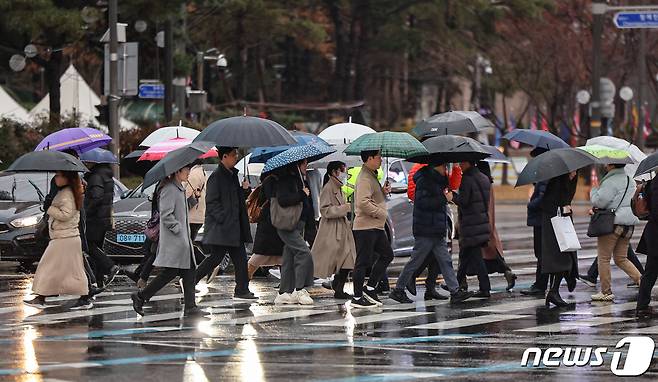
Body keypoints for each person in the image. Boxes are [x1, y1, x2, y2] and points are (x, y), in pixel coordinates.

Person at [389, 160, 473, 304]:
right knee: (415, 261)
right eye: (444, 166)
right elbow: (422, 203)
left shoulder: (439, 180)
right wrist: (443, 199)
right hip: (426, 229)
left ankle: (455, 291)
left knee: (445, 261)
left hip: (436, 228)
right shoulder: (424, 180)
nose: (446, 168)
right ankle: (398, 289)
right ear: (437, 166)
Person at [130, 166, 205, 317]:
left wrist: (192, 199)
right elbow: (166, 214)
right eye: (186, 170)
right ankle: (140, 296)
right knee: (169, 273)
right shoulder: (169, 189)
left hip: (182, 240)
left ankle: (190, 306)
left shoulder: (178, 188)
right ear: (177, 171)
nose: (188, 173)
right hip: (175, 240)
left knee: (189, 271)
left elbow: (180, 210)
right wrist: (178, 229)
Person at [195, 147, 257, 300]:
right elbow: (212, 203)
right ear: (224, 156)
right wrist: (224, 218)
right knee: (216, 258)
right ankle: (191, 280)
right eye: (233, 155)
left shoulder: (232, 175)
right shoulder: (216, 177)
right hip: (223, 228)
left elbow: (235, 200)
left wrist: (244, 191)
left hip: (234, 227)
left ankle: (242, 289)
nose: (236, 157)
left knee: (240, 259)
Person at [25, 171, 91, 310]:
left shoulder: (67, 193)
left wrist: (49, 208)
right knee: (71, 270)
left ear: (67, 178)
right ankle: (85, 297)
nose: (56, 178)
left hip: (65, 237)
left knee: (47, 266)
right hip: (65, 236)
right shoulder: (67, 191)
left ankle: (41, 298)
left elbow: (66, 214)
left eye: (60, 175)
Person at [589, 163, 641, 302]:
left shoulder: (610, 181)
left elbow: (599, 202)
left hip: (613, 223)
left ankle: (606, 292)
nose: (605, 165)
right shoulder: (630, 179)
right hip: (629, 223)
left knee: (604, 258)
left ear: (611, 165)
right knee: (621, 258)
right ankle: (642, 281)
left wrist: (594, 189)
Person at [350, 150, 394, 309]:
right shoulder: (364, 178)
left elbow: (371, 198)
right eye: (378, 157)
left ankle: (369, 288)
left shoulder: (371, 175)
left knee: (387, 255)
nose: (381, 160)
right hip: (365, 227)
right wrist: (380, 212)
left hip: (375, 226)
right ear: (369, 158)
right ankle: (357, 296)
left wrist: (382, 191)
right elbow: (362, 202)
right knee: (363, 262)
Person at [311, 161, 356, 299]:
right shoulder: (328, 188)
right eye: (342, 171)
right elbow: (324, 210)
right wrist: (345, 208)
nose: (344, 174)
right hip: (332, 230)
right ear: (334, 172)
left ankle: (338, 286)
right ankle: (337, 287)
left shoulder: (339, 187)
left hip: (342, 229)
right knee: (340, 260)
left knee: (349, 259)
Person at [273, 159, 315, 305]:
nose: (306, 166)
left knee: (289, 258)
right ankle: (300, 288)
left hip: (297, 224)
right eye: (304, 164)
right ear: (296, 165)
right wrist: (301, 194)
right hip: (286, 225)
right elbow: (283, 200)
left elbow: (308, 205)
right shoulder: (286, 180)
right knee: (304, 253)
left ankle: (284, 292)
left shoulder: (302, 180)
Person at [453, 161, 492, 298]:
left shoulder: (467, 179)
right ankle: (456, 285)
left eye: (461, 163)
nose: (460, 165)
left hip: (471, 224)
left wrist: (452, 197)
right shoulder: (484, 178)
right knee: (465, 256)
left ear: (467, 163)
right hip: (480, 221)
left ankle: (485, 288)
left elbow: (464, 202)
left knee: (475, 257)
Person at [477, 161, 517, 291]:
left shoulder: (482, 184)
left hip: (482, 224)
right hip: (487, 223)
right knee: (489, 255)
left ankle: (461, 283)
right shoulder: (488, 183)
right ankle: (460, 282)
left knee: (481, 254)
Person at [541, 171, 579, 307]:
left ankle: (554, 290)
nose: (574, 173)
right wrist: (563, 206)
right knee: (558, 258)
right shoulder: (556, 179)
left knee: (565, 256)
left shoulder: (570, 180)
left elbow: (566, 199)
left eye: (576, 171)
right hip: (554, 221)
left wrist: (566, 206)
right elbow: (548, 200)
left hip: (563, 220)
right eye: (572, 171)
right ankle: (554, 291)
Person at [83, 161, 121, 287]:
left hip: (95, 219)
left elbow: (97, 197)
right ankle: (99, 281)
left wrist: (86, 211)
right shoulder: (106, 176)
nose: (85, 163)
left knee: (89, 246)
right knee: (97, 248)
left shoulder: (96, 177)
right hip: (104, 219)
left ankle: (110, 266)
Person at [249, 172, 284, 279]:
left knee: (284, 257)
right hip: (268, 225)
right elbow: (272, 199)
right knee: (259, 256)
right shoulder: (270, 181)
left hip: (272, 224)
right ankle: (242, 283)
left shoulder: (272, 180)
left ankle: (287, 288)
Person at [521, 170, 549, 297]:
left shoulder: (545, 177)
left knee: (541, 254)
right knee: (542, 254)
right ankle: (541, 284)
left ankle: (540, 285)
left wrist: (530, 204)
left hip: (541, 220)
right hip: (543, 220)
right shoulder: (549, 175)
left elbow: (542, 198)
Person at [636, 177, 658, 317]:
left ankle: (642, 304)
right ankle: (642, 305)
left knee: (651, 271)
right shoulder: (656, 185)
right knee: (650, 271)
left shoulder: (653, 183)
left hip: (654, 233)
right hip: (656, 233)